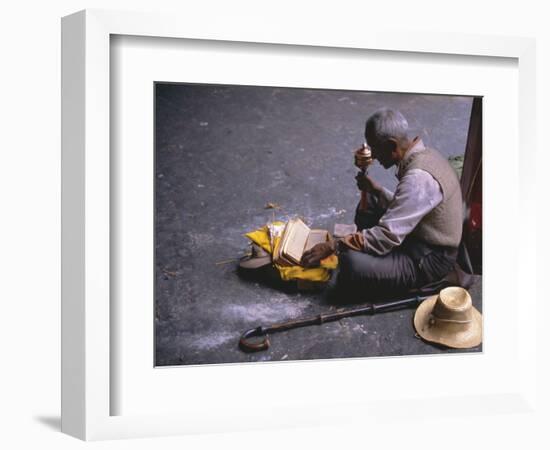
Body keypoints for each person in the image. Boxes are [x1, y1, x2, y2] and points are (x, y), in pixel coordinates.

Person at [302, 108, 465, 300]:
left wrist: (334, 245)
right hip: (419, 234)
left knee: (350, 262)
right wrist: (376, 190)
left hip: (430, 258)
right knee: (372, 198)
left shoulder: (418, 179)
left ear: (392, 146)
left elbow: (387, 236)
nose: (374, 156)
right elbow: (406, 207)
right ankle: (371, 253)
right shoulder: (425, 154)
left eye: (376, 149)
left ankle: (378, 263)